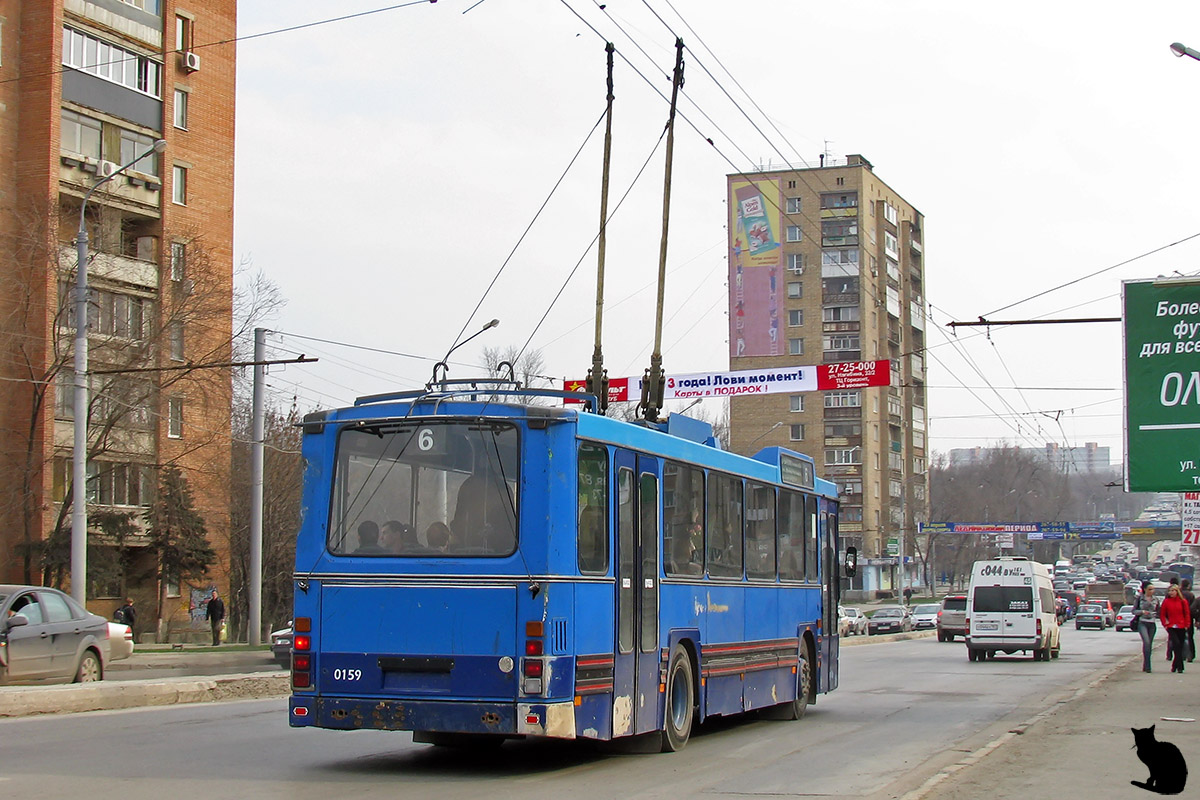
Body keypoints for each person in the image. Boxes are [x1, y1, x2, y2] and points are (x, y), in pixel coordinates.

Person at [1162, 583, 1192, 673]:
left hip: (1181, 625)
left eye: (1173, 591)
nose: (1171, 593)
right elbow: (1162, 614)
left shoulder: (1183, 601)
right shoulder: (1167, 601)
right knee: (1176, 643)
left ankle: (1175, 665)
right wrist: (1165, 624)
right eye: (1169, 591)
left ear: (1177, 591)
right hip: (1171, 626)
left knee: (1180, 645)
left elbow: (1187, 614)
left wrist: (1187, 625)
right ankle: (1180, 666)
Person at [1134, 582, 1161, 673]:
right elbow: (1133, 611)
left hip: (1152, 623)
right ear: (1145, 589)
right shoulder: (1139, 599)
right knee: (1146, 642)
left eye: (1153, 589)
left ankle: (1146, 664)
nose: (1152, 591)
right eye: (1150, 589)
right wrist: (1142, 612)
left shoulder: (1156, 599)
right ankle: (1147, 665)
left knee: (1149, 644)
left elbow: (1159, 612)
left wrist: (1156, 615)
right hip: (1143, 622)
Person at [1182, 579, 1196, 663]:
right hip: (1188, 618)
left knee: (1180, 637)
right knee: (1190, 637)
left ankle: (1181, 654)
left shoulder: (1178, 594)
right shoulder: (1190, 595)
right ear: (1188, 586)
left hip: (1179, 618)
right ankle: (1191, 654)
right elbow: (1193, 608)